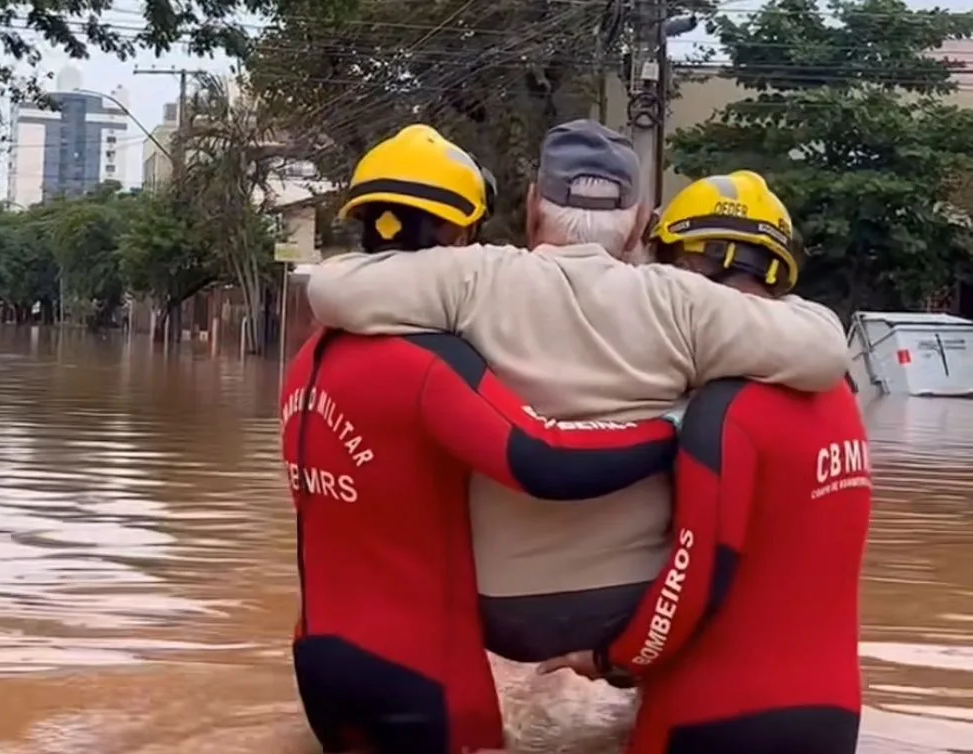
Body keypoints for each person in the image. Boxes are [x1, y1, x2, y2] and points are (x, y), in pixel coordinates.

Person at [302, 119, 852, 665]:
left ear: (536, 205)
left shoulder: (474, 278)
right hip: (636, 602)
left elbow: (330, 289)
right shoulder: (680, 300)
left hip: (495, 608)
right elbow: (826, 353)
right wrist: (763, 295)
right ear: (639, 223)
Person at [282, 124, 681, 754]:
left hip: (317, 656)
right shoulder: (429, 366)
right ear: (459, 237)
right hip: (421, 671)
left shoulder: (309, 360)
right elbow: (542, 460)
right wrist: (673, 432)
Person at [540, 171, 872, 754]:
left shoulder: (725, 410)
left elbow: (692, 582)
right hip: (831, 726)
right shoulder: (841, 397)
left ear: (691, 265)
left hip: (706, 723)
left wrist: (610, 658)